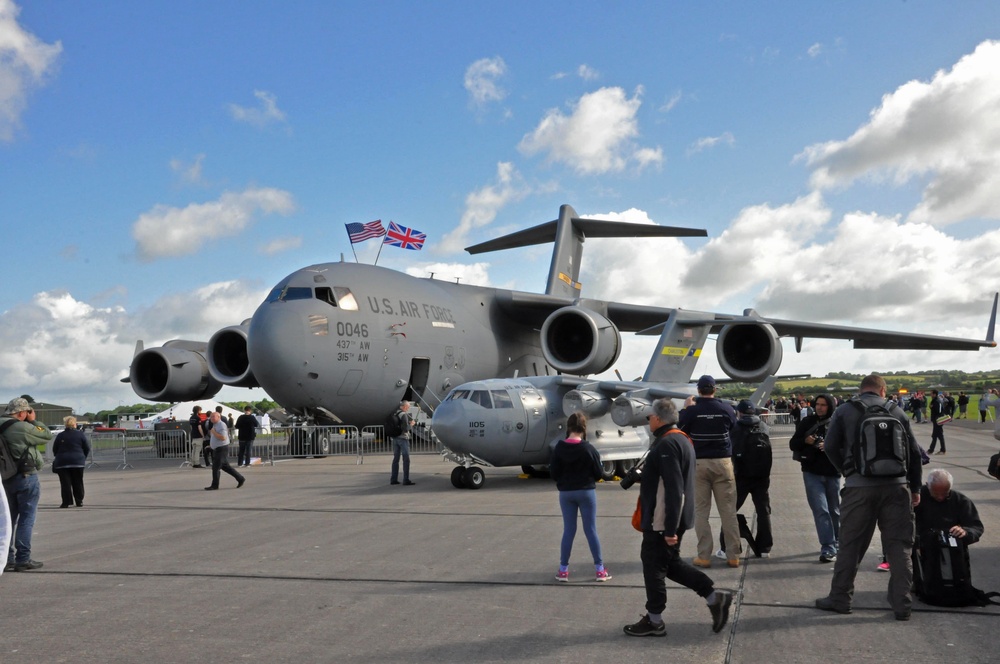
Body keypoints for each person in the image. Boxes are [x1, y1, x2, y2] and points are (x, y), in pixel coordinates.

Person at [815, 374, 922, 621]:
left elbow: (830, 446)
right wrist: (914, 488)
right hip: (897, 488)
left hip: (859, 488)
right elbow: (914, 453)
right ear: (883, 390)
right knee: (899, 548)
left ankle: (841, 599)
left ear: (861, 390)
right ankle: (902, 604)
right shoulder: (898, 411)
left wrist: (848, 471)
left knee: (850, 546)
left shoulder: (844, 411)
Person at [623, 399, 733, 637]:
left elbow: (674, 488)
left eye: (649, 417)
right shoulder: (681, 438)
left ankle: (654, 621)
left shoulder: (667, 444)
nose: (648, 421)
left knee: (653, 566)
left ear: (659, 418)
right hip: (672, 515)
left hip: (663, 518)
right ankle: (715, 597)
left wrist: (670, 529)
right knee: (669, 565)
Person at [679, 375, 740, 568]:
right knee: (728, 511)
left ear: (698, 390)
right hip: (723, 462)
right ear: (714, 389)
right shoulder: (726, 408)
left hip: (700, 463)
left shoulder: (692, 410)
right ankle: (733, 555)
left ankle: (704, 556)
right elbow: (733, 427)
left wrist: (686, 408)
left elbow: (681, 428)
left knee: (701, 512)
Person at [549, 411, 610, 582]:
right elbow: (599, 473)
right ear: (584, 428)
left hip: (566, 493)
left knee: (569, 530)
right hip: (586, 492)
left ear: (568, 428)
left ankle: (563, 570)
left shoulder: (559, 448)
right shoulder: (588, 448)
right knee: (590, 530)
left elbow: (553, 472)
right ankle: (599, 570)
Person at [2, 398, 52, 572]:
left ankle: (6, 559)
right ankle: (23, 558)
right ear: (22, 412)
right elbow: (46, 435)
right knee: (26, 518)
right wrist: (33, 420)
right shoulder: (22, 427)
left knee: (8, 520)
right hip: (25, 476)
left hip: (5, 478)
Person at [912, 469, 983, 593]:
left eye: (945, 493)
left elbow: (976, 527)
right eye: (935, 493)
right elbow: (903, 523)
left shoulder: (960, 500)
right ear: (928, 486)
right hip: (923, 544)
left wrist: (965, 532)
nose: (940, 497)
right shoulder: (917, 498)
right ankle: (919, 583)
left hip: (950, 547)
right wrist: (916, 541)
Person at [789, 394, 841, 563]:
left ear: (830, 406)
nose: (819, 407)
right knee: (821, 510)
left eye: (823, 405)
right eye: (817, 404)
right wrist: (807, 441)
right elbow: (793, 444)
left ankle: (838, 542)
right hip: (812, 472)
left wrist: (829, 445)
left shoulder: (837, 423)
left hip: (832, 472)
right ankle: (828, 547)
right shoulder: (807, 422)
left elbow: (847, 446)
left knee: (834, 511)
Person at [718, 400, 773, 558]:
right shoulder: (763, 427)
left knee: (730, 511)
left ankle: (726, 547)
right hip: (762, 476)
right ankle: (764, 548)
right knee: (764, 512)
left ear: (739, 412)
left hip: (740, 476)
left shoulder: (735, 427)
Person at [51, 416, 91, 508]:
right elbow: (86, 448)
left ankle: (66, 502)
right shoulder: (80, 435)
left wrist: (59, 456)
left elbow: (55, 449)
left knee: (65, 483)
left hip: (62, 462)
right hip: (77, 461)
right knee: (78, 481)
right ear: (74, 424)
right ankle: (79, 500)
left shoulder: (60, 435)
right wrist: (82, 457)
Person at [204, 412, 245, 491]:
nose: (211, 418)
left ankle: (215, 485)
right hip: (217, 448)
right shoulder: (215, 425)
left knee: (215, 467)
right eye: (211, 417)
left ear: (219, 417)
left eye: (213, 417)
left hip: (221, 449)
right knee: (226, 467)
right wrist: (211, 445)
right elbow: (216, 438)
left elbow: (223, 437)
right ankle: (240, 478)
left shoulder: (221, 425)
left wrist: (213, 432)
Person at [389, 401, 415, 486]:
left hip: (395, 438)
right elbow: (406, 429)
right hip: (403, 439)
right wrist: (411, 424)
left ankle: (393, 479)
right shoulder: (404, 415)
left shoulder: (396, 413)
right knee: (406, 459)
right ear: (404, 407)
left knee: (396, 459)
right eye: (408, 407)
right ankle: (406, 479)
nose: (408, 408)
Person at [927, 389, 947, 455]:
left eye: (931, 393)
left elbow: (939, 411)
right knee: (934, 436)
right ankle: (931, 450)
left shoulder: (937, 401)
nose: (930, 395)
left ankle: (942, 450)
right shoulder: (934, 401)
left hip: (938, 420)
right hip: (935, 420)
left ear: (934, 394)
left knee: (940, 435)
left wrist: (936, 418)